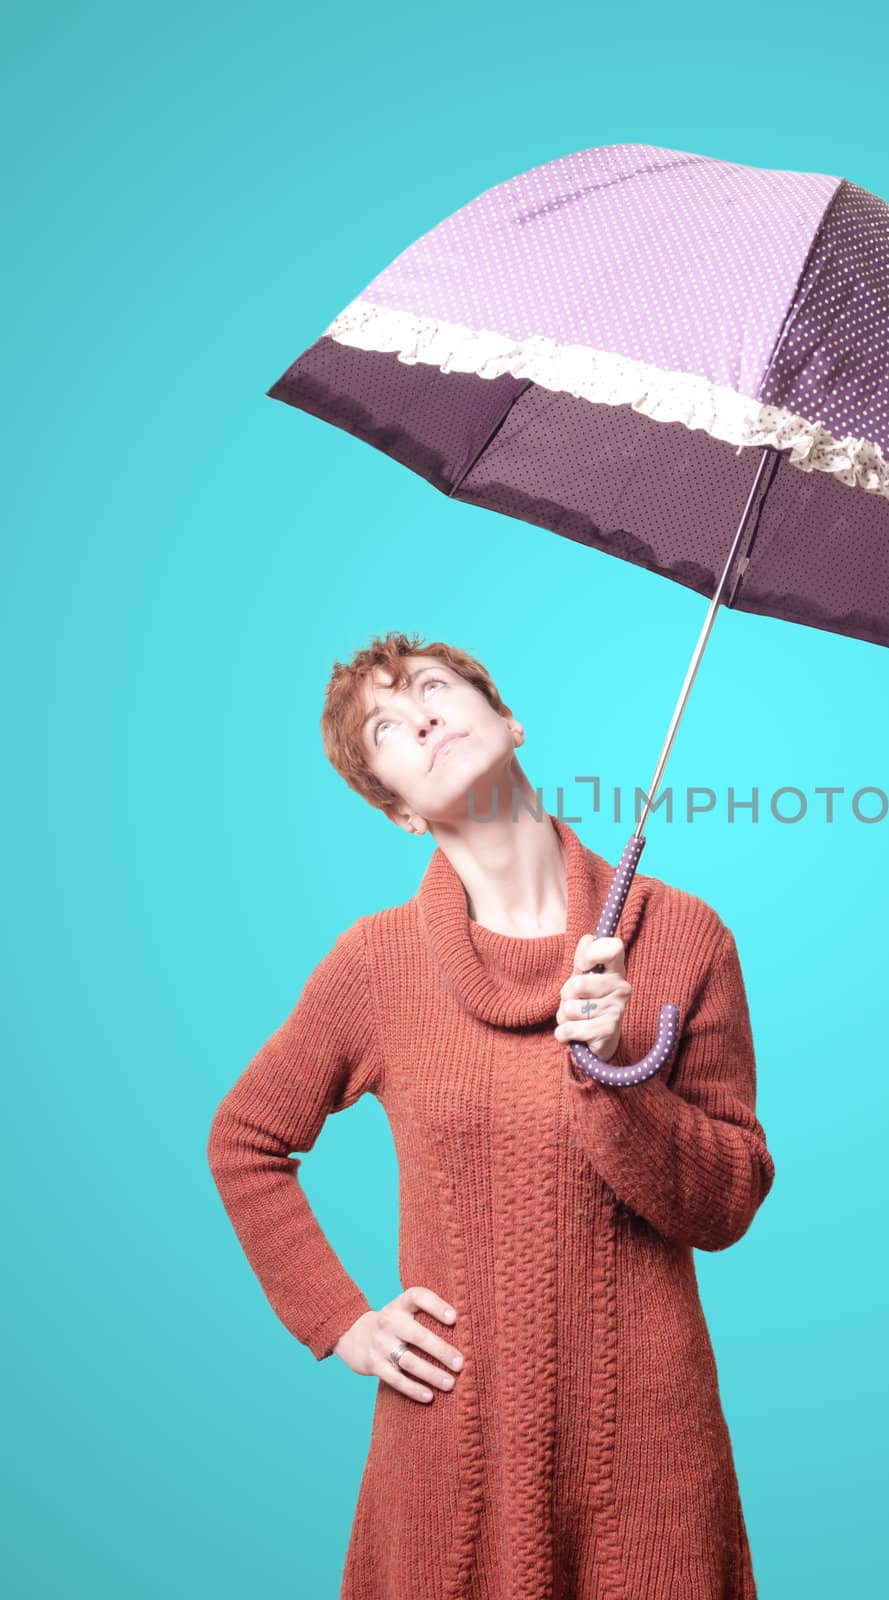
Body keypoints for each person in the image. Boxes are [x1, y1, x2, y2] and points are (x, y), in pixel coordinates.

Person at [206, 628, 775, 1600]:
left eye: (434, 687)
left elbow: (727, 1203)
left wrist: (615, 1070)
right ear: (396, 814)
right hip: (451, 1450)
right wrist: (341, 1322)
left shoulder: (684, 938)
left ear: (508, 720)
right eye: (385, 725)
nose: (421, 714)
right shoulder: (374, 964)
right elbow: (247, 1141)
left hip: (647, 1457)